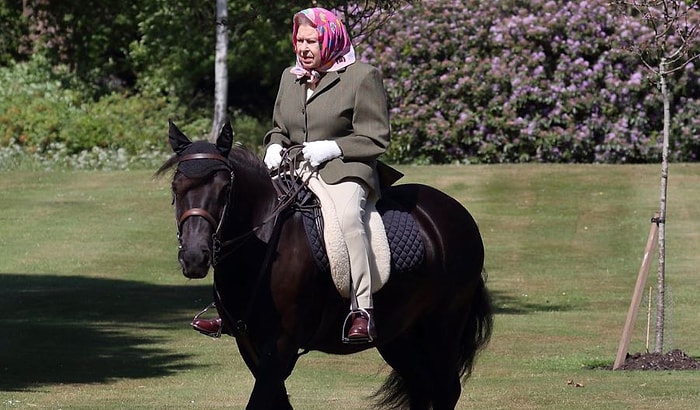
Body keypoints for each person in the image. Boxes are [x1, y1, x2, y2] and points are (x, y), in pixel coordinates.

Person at [192, 7, 391, 343]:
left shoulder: (362, 76)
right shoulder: (291, 76)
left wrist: (332, 148)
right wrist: (273, 145)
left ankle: (362, 309)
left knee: (346, 219)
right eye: (299, 40)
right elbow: (279, 129)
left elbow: (375, 137)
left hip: (345, 169)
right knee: (250, 217)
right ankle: (228, 309)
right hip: (295, 168)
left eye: (311, 40)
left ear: (330, 39)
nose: (303, 48)